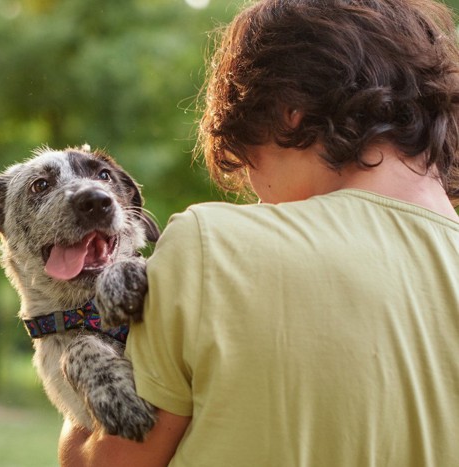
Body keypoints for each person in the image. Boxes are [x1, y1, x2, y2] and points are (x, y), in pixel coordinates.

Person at [59, 0, 459, 465]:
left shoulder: (211, 246)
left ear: (288, 109)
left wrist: (80, 348)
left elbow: (102, 461)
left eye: (248, 161)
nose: (257, 194)